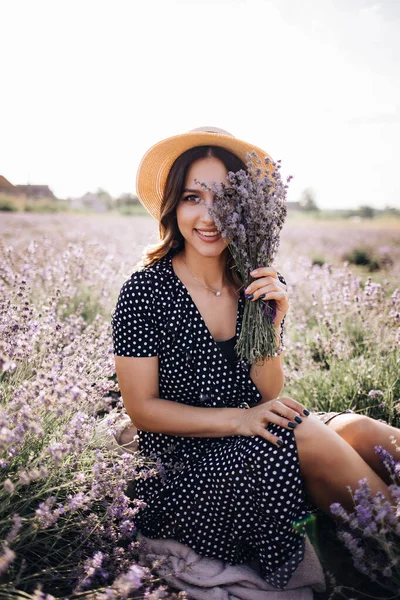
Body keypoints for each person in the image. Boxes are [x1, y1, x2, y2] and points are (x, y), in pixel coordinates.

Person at [111, 126, 399, 590]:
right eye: (192, 197)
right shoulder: (145, 292)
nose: (208, 216)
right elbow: (142, 410)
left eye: (223, 199)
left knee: (360, 430)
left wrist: (269, 324)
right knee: (302, 431)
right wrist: (242, 421)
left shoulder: (256, 279)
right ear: (173, 207)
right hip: (188, 470)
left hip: (252, 437)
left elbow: (268, 391)